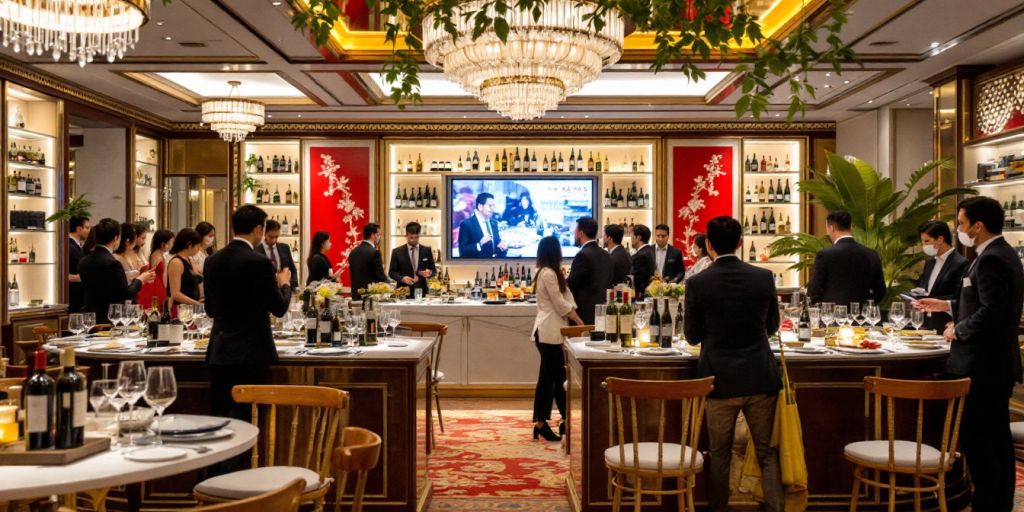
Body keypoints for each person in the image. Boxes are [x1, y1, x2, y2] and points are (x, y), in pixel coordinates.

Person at [913, 196, 1024, 511]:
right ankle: (995, 501)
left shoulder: (991, 258)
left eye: (961, 224)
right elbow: (980, 299)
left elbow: (992, 311)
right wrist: (946, 305)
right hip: (992, 364)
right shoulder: (999, 254)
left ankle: (990, 503)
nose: (958, 229)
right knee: (994, 440)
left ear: (978, 225)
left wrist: (958, 329)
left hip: (984, 365)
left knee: (983, 442)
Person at [683, 216, 783, 512]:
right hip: (760, 376)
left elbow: (692, 335)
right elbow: (773, 326)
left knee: (719, 453)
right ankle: (775, 508)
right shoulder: (763, 277)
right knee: (767, 452)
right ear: (740, 242)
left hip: (719, 379)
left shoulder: (699, 282)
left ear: (709, 245)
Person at [204, 205, 292, 420]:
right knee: (249, 419)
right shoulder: (259, 262)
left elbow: (210, 309)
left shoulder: (212, 260)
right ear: (258, 229)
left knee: (220, 418)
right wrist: (284, 284)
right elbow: (279, 308)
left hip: (220, 351)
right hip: (251, 352)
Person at [531, 236, 583, 442]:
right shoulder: (547, 273)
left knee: (555, 378)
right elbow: (562, 304)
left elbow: (568, 299)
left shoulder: (553, 273)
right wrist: (579, 321)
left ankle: (558, 421)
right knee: (551, 379)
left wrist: (573, 313)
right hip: (549, 332)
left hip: (554, 331)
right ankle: (544, 423)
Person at [78, 218, 156, 324]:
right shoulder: (112, 263)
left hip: (89, 316)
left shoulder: (84, 260)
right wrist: (140, 279)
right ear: (116, 238)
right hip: (110, 317)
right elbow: (126, 294)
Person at [805, 210, 886, 306]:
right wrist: (863, 304)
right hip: (862, 318)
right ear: (850, 227)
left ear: (831, 228)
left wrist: (825, 303)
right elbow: (881, 292)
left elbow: (813, 292)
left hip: (831, 317)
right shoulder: (872, 254)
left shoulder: (825, 255)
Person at [913, 220, 967, 333]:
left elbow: (961, 297)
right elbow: (926, 289)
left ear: (940, 239)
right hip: (927, 324)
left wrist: (933, 300)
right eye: (922, 242)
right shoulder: (929, 262)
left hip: (947, 325)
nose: (924, 246)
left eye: (927, 241)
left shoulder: (960, 263)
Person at [567, 217, 612, 325]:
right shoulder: (607, 255)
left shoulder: (583, 255)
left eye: (575, 231)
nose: (574, 234)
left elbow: (571, 284)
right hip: (602, 313)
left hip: (583, 316)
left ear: (581, 233)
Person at [388, 222, 436, 296]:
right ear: (406, 235)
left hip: (422, 291)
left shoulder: (427, 250)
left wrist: (429, 273)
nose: (413, 240)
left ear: (419, 235)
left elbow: (433, 271)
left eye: (416, 237)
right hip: (403, 292)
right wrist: (402, 278)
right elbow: (392, 272)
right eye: (411, 237)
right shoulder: (397, 252)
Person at [457, 192, 507, 258]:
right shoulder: (466, 224)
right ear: (480, 207)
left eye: (493, 206)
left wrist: (503, 248)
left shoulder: (494, 223)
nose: (492, 208)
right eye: (490, 205)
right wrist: (479, 245)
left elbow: (496, 249)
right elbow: (462, 251)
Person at [166, 228, 204, 315]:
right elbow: (175, 294)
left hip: (191, 308)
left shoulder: (188, 259)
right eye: (198, 246)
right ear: (189, 245)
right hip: (181, 310)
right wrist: (197, 304)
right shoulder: (176, 262)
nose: (198, 249)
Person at [349, 223, 388, 301]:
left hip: (356, 295)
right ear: (373, 235)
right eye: (378, 234)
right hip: (371, 295)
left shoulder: (353, 252)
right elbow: (380, 276)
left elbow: (353, 274)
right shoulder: (374, 252)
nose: (379, 237)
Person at [256, 219, 298, 290]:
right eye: (271, 237)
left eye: (276, 237)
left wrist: (290, 285)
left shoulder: (285, 248)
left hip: (284, 292)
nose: (274, 240)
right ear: (264, 233)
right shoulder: (256, 251)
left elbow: (293, 269)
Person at [137, 229, 173, 310]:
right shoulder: (157, 254)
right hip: (156, 285)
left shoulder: (159, 254)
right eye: (170, 243)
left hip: (158, 283)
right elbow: (153, 270)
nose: (171, 245)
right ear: (162, 244)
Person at [68, 215, 90, 313]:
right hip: (74, 297)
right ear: (79, 229)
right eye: (87, 228)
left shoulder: (77, 246)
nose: (88, 231)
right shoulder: (70, 246)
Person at [630, 224, 655, 298]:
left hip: (640, 295)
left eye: (632, 236)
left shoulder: (641, 255)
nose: (631, 239)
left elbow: (638, 280)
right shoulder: (650, 250)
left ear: (638, 237)